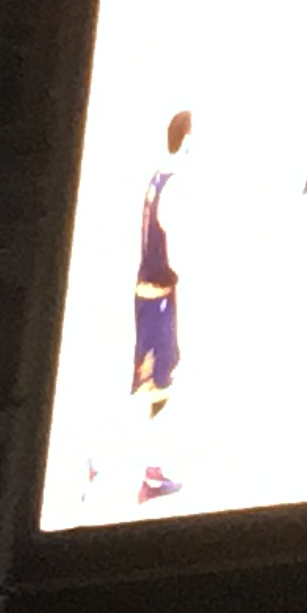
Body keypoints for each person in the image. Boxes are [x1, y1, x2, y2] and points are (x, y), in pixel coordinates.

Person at [128, 108, 189, 502]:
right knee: (156, 387)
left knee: (152, 386)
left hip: (152, 296)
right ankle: (145, 475)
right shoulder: (176, 187)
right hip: (159, 301)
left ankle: (150, 473)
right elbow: (179, 251)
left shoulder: (159, 178)